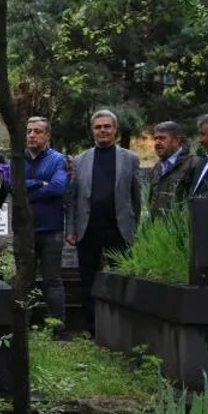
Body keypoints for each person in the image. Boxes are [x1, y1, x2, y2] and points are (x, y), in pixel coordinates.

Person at [66, 109, 141, 335]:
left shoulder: (130, 159)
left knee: (122, 279)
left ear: (115, 129)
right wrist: (70, 229)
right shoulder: (80, 160)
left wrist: (136, 228)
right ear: (92, 131)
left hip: (119, 229)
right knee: (87, 281)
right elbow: (73, 198)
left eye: (107, 126)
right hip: (87, 229)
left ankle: (122, 328)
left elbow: (136, 197)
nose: (103, 130)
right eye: (98, 127)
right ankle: (92, 329)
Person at [23, 117, 68, 328]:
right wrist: (40, 183)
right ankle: (23, 327)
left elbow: (58, 188)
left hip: (51, 229)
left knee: (53, 281)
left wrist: (27, 189)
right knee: (24, 281)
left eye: (37, 131)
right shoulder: (17, 159)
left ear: (47, 135)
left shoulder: (58, 160)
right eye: (29, 131)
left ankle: (57, 328)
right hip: (24, 230)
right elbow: (9, 184)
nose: (32, 135)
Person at [148, 121, 200, 217]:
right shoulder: (156, 168)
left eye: (162, 138)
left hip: (181, 225)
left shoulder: (194, 165)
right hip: (157, 226)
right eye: (155, 138)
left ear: (176, 140)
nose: (157, 143)